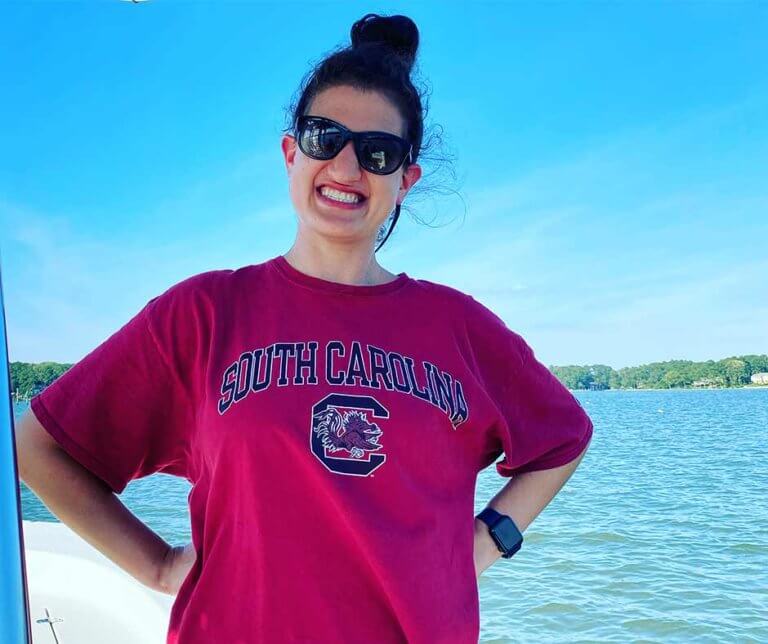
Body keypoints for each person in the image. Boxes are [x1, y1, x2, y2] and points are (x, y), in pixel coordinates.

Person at [15, 12, 593, 644]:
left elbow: (563, 438)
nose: (347, 166)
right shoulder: (204, 314)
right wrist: (156, 565)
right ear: (291, 153)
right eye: (325, 137)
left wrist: (489, 539)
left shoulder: (460, 328)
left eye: (379, 152)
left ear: (405, 180)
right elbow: (38, 447)